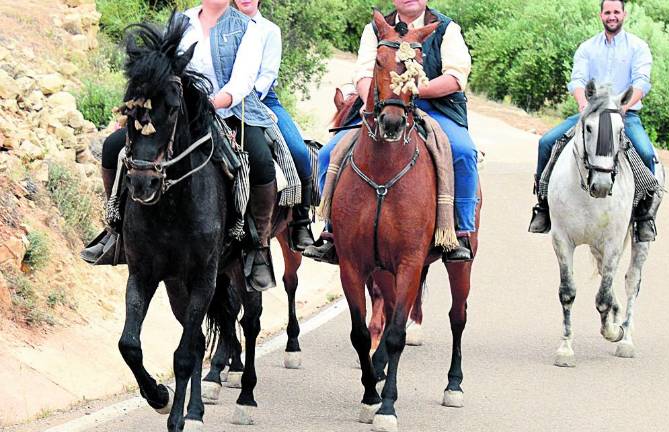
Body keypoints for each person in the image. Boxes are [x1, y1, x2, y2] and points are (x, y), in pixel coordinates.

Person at [81, 0, 279, 290]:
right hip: (173, 113)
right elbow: (155, 70)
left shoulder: (247, 28)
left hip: (227, 111)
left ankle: (257, 244)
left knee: (260, 161)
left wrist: (208, 106)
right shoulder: (181, 23)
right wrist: (132, 108)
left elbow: (242, 82)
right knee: (113, 148)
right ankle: (116, 227)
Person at [303, 0, 479, 263]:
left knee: (464, 152)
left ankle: (461, 231)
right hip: (382, 106)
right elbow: (362, 75)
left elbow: (455, 78)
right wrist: (374, 104)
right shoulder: (374, 29)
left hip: (435, 106)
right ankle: (331, 231)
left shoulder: (446, 29)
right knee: (328, 153)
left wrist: (413, 90)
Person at [529, 0, 660, 241]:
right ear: (601, 15)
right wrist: (582, 104)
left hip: (624, 115)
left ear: (624, 14)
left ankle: (643, 217)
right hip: (589, 114)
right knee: (546, 143)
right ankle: (544, 206)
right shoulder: (587, 48)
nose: (612, 16)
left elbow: (641, 81)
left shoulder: (638, 47)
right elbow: (577, 80)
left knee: (646, 153)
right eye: (607, 12)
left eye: (616, 12)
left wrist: (624, 106)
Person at [233, 0, 314, 251]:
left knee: (299, 152)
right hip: (223, 100)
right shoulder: (220, 26)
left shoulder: (269, 30)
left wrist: (244, 100)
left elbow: (267, 75)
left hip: (261, 98)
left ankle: (301, 220)